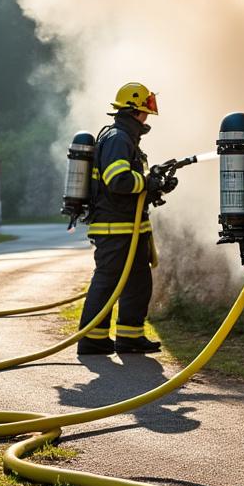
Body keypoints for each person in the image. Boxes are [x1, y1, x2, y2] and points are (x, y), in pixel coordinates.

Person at [77, 82, 177, 356]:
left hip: (129, 227)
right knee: (109, 281)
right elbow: (117, 180)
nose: (147, 117)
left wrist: (154, 183)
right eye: (145, 111)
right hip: (116, 227)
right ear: (135, 110)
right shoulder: (119, 138)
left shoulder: (126, 138)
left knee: (137, 283)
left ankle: (129, 337)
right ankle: (92, 339)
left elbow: (132, 182)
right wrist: (148, 182)